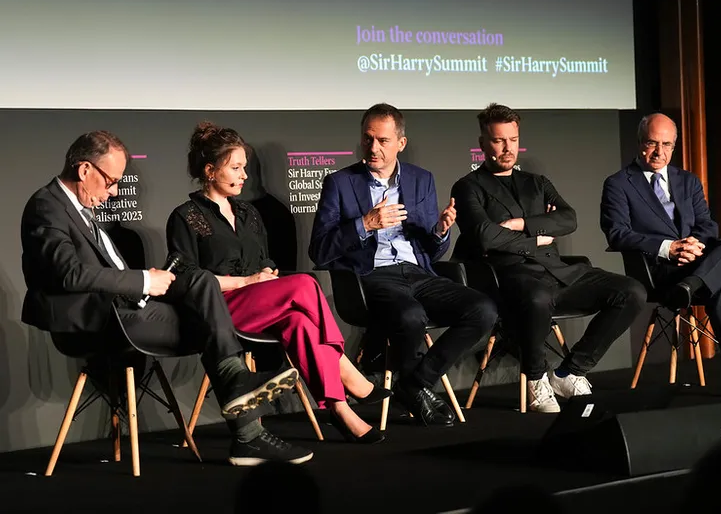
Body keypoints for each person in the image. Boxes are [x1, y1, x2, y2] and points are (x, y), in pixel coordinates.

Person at [20, 130, 312, 466]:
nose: (114, 192)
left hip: (124, 307)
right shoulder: (47, 206)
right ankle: (246, 427)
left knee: (200, 281)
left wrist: (153, 280)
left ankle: (239, 392)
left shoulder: (74, 207)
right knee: (209, 321)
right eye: (111, 181)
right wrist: (145, 281)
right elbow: (69, 274)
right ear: (85, 170)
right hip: (98, 320)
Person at [166, 122, 386, 445]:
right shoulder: (186, 216)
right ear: (210, 171)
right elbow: (187, 277)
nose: (244, 175)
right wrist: (246, 281)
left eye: (245, 167)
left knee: (300, 322)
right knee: (305, 284)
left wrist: (266, 274)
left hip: (259, 303)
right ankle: (345, 368)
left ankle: (340, 410)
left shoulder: (249, 213)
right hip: (218, 310)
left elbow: (264, 260)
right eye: (236, 168)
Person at [309, 103, 497, 427]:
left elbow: (432, 252)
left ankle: (414, 384)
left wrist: (440, 231)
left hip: (418, 272)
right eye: (367, 139)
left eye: (383, 140)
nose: (373, 148)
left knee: (484, 310)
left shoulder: (421, 180)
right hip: (372, 276)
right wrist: (364, 224)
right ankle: (416, 389)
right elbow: (319, 251)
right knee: (410, 316)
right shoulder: (340, 183)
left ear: (401, 143)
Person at [451, 103, 646, 413]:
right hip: (510, 276)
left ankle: (570, 372)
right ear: (483, 143)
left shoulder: (536, 182)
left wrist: (520, 225)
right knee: (537, 297)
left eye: (513, 140)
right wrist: (538, 237)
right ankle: (535, 378)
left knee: (631, 291)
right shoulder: (468, 187)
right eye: (499, 140)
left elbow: (569, 219)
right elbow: (485, 236)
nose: (508, 148)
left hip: (557, 271)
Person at [601, 112, 721, 384]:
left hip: (698, 261)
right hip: (662, 270)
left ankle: (694, 283)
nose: (659, 152)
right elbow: (617, 234)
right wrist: (669, 247)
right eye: (652, 143)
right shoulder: (618, 184)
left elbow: (706, 225)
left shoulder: (688, 180)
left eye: (666, 145)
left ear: (674, 147)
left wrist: (693, 244)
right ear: (639, 142)